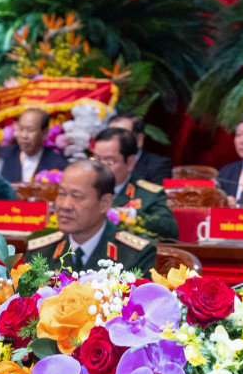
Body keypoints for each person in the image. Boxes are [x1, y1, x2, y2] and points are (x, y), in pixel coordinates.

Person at [25, 159, 156, 274]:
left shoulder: (134, 255)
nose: (65, 205)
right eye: (62, 194)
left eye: (77, 196)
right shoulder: (41, 252)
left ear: (105, 203)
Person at [92, 128, 179, 241]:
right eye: (96, 159)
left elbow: (169, 229)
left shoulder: (150, 194)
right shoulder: (84, 189)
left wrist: (129, 215)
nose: (100, 167)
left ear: (130, 163)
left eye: (110, 161)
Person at [0, 108, 67, 182]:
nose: (24, 135)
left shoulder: (57, 163)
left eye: (30, 130)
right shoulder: (2, 155)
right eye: (21, 129)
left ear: (44, 133)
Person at [108, 113, 172, 185]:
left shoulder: (157, 166)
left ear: (139, 139)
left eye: (122, 137)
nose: (114, 142)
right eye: (109, 136)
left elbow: (153, 195)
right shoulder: (100, 162)